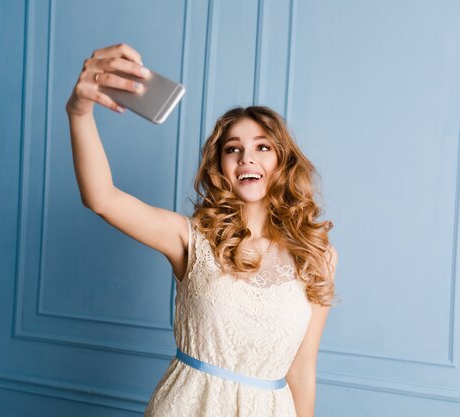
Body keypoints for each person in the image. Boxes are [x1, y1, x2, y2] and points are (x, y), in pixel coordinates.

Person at [66, 43, 338, 417]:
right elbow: (101, 197)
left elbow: (302, 370)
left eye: (263, 147)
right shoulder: (190, 238)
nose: (247, 158)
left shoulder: (317, 256)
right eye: (233, 149)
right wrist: (79, 111)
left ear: (282, 162)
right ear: (220, 164)